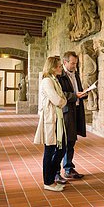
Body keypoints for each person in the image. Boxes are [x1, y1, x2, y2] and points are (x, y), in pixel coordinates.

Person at [34, 56, 67, 192]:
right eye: (59, 66)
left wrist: (62, 100)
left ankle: (51, 177)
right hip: (50, 120)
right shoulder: (47, 81)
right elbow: (58, 100)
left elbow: (61, 98)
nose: (60, 68)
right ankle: (48, 181)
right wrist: (62, 100)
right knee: (50, 151)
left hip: (57, 119)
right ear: (52, 67)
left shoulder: (55, 80)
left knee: (61, 149)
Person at [55, 51, 87, 183]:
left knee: (71, 141)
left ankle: (68, 168)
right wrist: (75, 96)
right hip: (66, 111)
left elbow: (77, 90)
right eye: (73, 63)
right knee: (62, 142)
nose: (75, 65)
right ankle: (56, 172)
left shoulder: (76, 74)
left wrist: (84, 93)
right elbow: (60, 94)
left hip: (77, 110)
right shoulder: (59, 76)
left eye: (76, 63)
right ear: (65, 62)